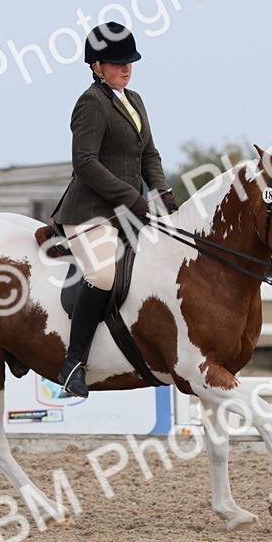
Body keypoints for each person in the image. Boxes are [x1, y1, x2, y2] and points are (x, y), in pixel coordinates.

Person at [50, 21, 177, 397]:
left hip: (128, 210)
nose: (126, 68)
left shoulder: (135, 100)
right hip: (88, 213)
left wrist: (163, 192)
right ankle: (74, 363)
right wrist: (132, 197)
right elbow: (85, 162)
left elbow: (149, 153)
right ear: (96, 66)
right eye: (117, 62)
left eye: (129, 62)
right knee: (104, 276)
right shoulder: (90, 103)